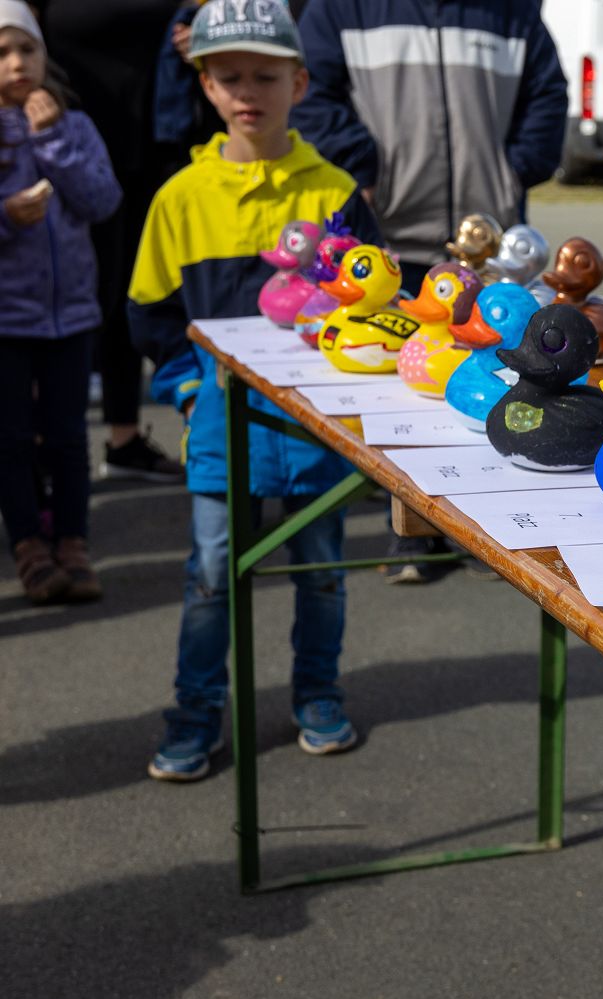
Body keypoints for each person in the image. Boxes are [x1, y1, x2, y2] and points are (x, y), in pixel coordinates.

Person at [126, 0, 381, 782]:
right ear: (205, 86)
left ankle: (318, 694)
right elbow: (151, 314)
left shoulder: (336, 192)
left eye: (265, 76)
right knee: (210, 578)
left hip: (317, 430)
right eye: (229, 76)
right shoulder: (179, 197)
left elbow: (371, 307)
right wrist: (188, 391)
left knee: (322, 572)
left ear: (299, 83)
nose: (248, 92)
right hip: (219, 428)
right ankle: (195, 715)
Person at [288, 0, 567, 584]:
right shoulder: (342, 8)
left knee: (491, 383)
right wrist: (364, 165)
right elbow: (313, 93)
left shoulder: (511, 12)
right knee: (406, 395)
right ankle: (413, 527)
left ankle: (490, 533)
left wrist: (515, 167)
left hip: (490, 244)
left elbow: (548, 92)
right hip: (393, 243)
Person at [0, 0, 119, 604]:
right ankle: (29, 546)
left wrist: (50, 141)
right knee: (12, 439)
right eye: (1, 53)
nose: (17, 63)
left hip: (71, 314)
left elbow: (103, 201)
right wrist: (6, 215)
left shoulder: (73, 125)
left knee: (69, 438)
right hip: (6, 321)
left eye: (28, 49)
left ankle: (74, 543)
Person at [38, 0, 186, 482]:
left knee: (134, 294)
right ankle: (39, 450)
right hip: (62, 144)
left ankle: (124, 439)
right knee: (67, 298)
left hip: (158, 143)